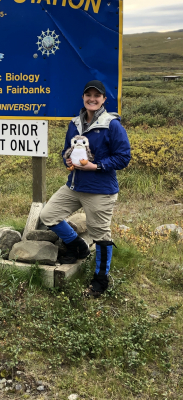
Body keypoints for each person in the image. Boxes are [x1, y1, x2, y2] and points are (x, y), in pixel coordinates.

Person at [40, 80, 131, 297]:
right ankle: (78, 246)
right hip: (74, 185)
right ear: (83, 98)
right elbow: (66, 151)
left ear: (104, 100)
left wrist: (96, 166)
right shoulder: (74, 124)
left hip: (100, 190)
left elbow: (123, 157)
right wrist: (68, 162)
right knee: (48, 215)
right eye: (88, 95)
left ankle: (100, 280)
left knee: (100, 235)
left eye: (96, 96)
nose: (92, 99)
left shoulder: (112, 125)